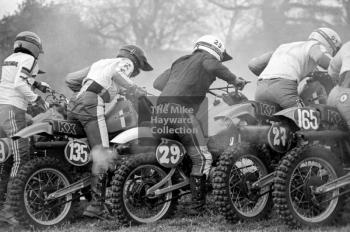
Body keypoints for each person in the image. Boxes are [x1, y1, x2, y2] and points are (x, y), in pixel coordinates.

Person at [153, 35, 246, 215]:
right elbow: (212, 65)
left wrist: (193, 85)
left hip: (160, 110)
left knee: (181, 151)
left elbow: (158, 84)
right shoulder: (207, 58)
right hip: (180, 111)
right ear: (216, 51)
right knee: (203, 158)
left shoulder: (180, 61)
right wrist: (235, 80)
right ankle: (198, 207)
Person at [67, 45, 153, 218]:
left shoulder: (101, 63)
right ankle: (96, 206)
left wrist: (87, 90)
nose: (135, 72)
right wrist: (135, 88)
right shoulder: (124, 63)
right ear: (134, 61)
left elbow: (70, 80)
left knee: (87, 150)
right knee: (103, 154)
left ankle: (79, 191)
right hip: (91, 104)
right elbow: (118, 74)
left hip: (74, 104)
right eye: (138, 69)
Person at [0, 31, 49, 225]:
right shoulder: (30, 59)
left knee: (8, 158)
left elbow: (15, 79)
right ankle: (11, 211)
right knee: (22, 156)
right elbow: (20, 83)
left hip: (2, 109)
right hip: (13, 109)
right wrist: (36, 99)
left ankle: (3, 210)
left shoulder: (9, 59)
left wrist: (38, 84)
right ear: (34, 47)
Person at [249, 28, 342, 109]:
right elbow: (319, 57)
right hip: (284, 89)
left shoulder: (283, 47)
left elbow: (253, 65)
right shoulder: (314, 45)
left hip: (260, 88)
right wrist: (342, 70)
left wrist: (271, 76)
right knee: (306, 120)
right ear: (329, 44)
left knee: (270, 121)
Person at [327, 41, 350, 129]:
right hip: (348, 98)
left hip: (335, 93)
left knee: (331, 129)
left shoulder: (347, 45)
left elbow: (332, 70)